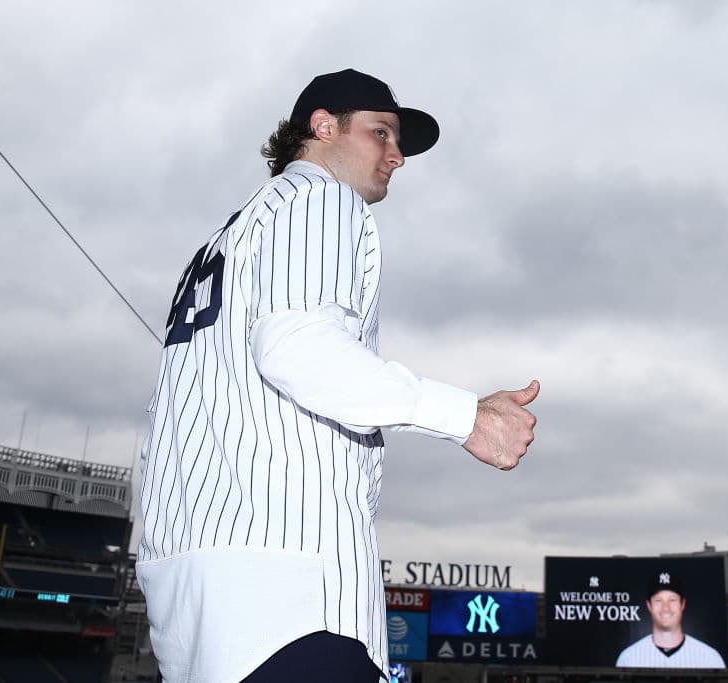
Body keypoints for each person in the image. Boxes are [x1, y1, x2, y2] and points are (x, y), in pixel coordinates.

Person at [136, 68, 539, 683]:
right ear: (321, 127)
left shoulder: (238, 228)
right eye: (382, 134)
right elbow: (297, 348)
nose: (397, 156)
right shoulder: (320, 197)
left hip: (194, 585)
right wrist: (467, 418)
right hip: (288, 584)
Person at [615, 571, 726, 669]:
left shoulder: (710, 658)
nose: (666, 608)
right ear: (649, 606)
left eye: (672, 600)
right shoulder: (628, 658)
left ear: (682, 604)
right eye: (658, 600)